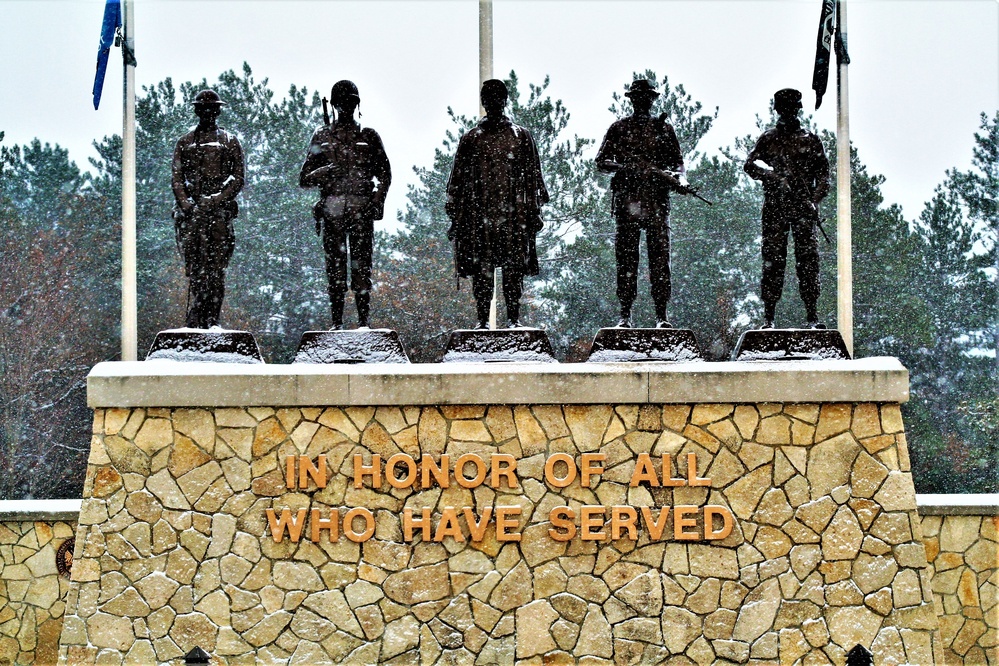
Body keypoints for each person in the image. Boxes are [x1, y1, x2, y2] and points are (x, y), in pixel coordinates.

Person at [446, 79, 549, 329]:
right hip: (480, 216)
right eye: (489, 99)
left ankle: (514, 319)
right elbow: (456, 181)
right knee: (483, 272)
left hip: (514, 218)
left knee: (513, 271)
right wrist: (456, 216)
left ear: (505, 101)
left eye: (498, 98)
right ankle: (482, 320)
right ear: (483, 103)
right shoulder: (471, 139)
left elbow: (535, 177)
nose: (493, 103)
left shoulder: (521, 136)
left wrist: (534, 210)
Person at [596, 79, 688, 329]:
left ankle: (662, 315)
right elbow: (601, 161)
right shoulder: (618, 128)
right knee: (626, 260)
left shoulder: (665, 130)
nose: (643, 101)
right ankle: (625, 315)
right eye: (638, 97)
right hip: (627, 201)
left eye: (647, 97)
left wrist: (678, 179)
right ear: (631, 99)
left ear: (653, 100)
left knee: (660, 260)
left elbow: (678, 164)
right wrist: (626, 168)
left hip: (657, 202)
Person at [300, 80, 391, 329]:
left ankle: (363, 322)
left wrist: (377, 201)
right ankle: (337, 322)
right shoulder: (322, 136)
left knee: (362, 268)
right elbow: (304, 178)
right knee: (336, 270)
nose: (346, 107)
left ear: (357, 104)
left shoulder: (368, 136)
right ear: (335, 105)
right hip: (333, 211)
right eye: (342, 103)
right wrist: (327, 170)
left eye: (351, 102)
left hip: (361, 210)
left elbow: (385, 174)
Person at [744, 88, 830, 329]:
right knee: (772, 259)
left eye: (792, 109)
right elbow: (750, 165)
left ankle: (812, 316)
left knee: (808, 260)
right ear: (778, 110)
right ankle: (768, 317)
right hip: (775, 207)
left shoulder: (811, 140)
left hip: (803, 209)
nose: (788, 113)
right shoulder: (768, 138)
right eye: (784, 109)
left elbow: (824, 175)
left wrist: (814, 200)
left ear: (798, 110)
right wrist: (771, 177)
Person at [171, 90, 245, 329]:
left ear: (218, 111)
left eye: (212, 109)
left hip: (220, 214)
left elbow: (238, 178)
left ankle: (212, 317)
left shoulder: (229, 141)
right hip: (192, 216)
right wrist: (187, 205)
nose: (208, 113)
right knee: (195, 268)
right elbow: (177, 178)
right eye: (203, 109)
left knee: (216, 269)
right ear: (196, 111)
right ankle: (196, 314)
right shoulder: (185, 142)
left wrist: (216, 200)